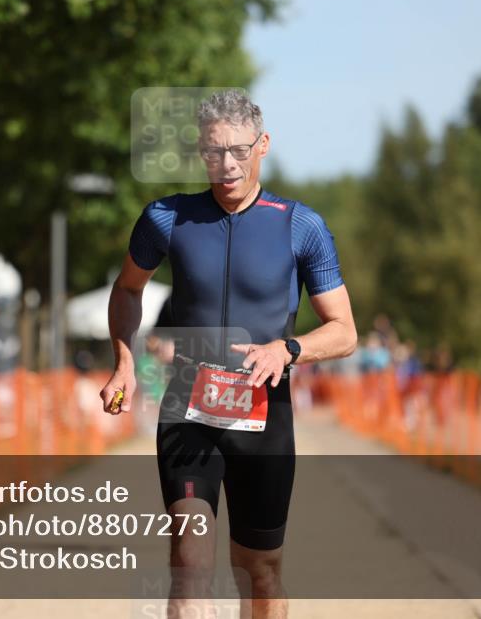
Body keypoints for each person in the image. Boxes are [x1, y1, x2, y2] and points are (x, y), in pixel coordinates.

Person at [101, 90, 357, 618]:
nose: (228, 164)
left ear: (263, 145)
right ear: (201, 152)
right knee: (190, 563)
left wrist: (288, 349)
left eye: (240, 150)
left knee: (259, 573)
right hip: (188, 413)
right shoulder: (166, 219)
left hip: (265, 419)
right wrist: (124, 361)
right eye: (215, 152)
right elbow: (127, 290)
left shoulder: (300, 226)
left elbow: (344, 331)